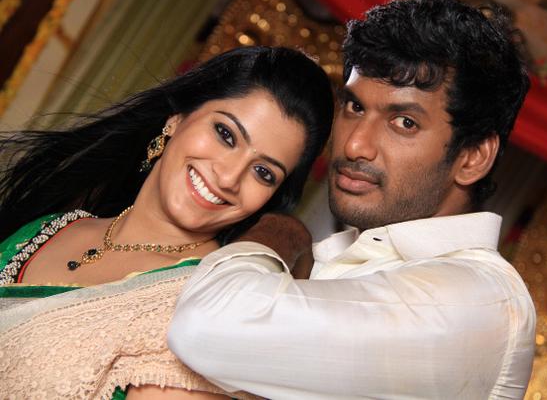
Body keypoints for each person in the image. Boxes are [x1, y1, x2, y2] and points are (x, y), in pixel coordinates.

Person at [167, 0, 536, 400]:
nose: (356, 144)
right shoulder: (349, 255)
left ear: (472, 157)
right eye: (355, 106)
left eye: (404, 122)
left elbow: (204, 324)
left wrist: (280, 233)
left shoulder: (477, 302)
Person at [0, 46, 333, 399]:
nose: (228, 177)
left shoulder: (202, 308)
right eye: (225, 134)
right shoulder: (54, 226)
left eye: (263, 172)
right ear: (176, 118)